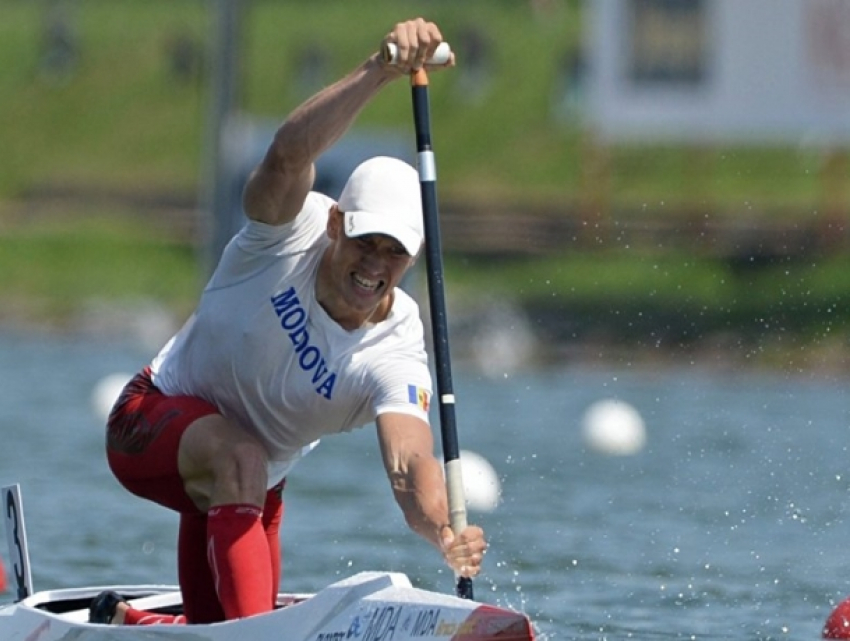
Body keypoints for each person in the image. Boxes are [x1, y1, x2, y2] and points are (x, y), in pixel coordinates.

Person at [89, 17, 486, 626]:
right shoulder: (286, 231)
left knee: (218, 621)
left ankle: (130, 624)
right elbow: (290, 152)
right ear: (334, 225)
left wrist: (442, 530)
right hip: (148, 423)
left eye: (395, 253)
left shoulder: (397, 347)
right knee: (243, 459)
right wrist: (379, 69)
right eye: (365, 241)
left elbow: (409, 464)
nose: (375, 267)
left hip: (247, 491)